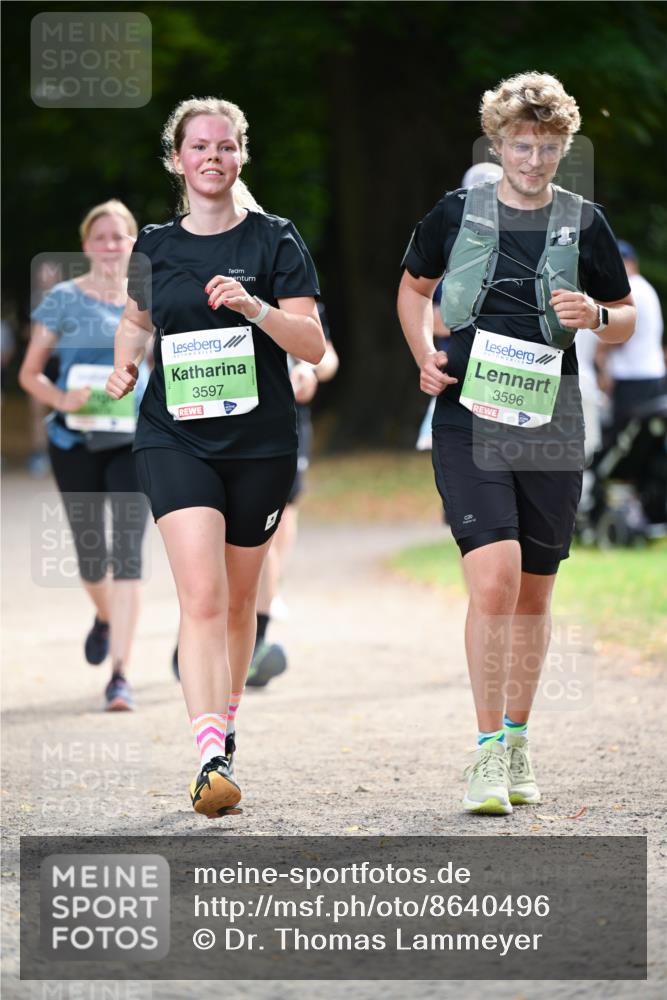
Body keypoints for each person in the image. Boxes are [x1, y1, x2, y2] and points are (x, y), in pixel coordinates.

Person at [397, 72, 635, 815]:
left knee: (533, 591)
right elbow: (411, 290)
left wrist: (594, 314)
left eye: (546, 147)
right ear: (496, 142)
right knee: (492, 581)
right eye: (519, 145)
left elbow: (625, 315)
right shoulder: (455, 213)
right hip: (470, 412)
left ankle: (518, 734)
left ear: (563, 148)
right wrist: (423, 355)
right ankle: (485, 754)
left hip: (551, 415)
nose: (532, 160)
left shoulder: (583, 222)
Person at [106, 97, 324, 819]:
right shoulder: (155, 248)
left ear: (240, 156)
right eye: (198, 146)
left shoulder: (275, 240)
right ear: (177, 159)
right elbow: (135, 324)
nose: (211, 157)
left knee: (236, 600)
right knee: (200, 595)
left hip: (260, 444)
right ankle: (209, 757)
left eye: (225, 146)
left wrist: (256, 309)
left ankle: (223, 723)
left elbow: (314, 346)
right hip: (175, 436)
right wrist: (124, 366)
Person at [19, 200, 150, 711]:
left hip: (133, 440)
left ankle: (120, 674)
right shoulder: (62, 300)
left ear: (134, 243)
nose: (111, 245)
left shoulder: (149, 300)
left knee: (129, 558)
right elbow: (30, 374)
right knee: (93, 558)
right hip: (73, 440)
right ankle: (103, 616)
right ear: (86, 245)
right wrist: (61, 399)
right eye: (101, 237)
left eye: (119, 236)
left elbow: (168, 366)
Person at [247, 302, 339, 687]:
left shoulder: (296, 287)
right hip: (231, 415)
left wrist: (308, 368)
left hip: (287, 418)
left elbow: (326, 354)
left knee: (282, 510)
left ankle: (264, 606)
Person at [599, 240, 665, 432]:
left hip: (633, 379)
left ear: (632, 263)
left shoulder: (631, 289)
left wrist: (601, 356)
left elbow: (619, 335)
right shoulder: (646, 288)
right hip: (649, 375)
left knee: (624, 444)